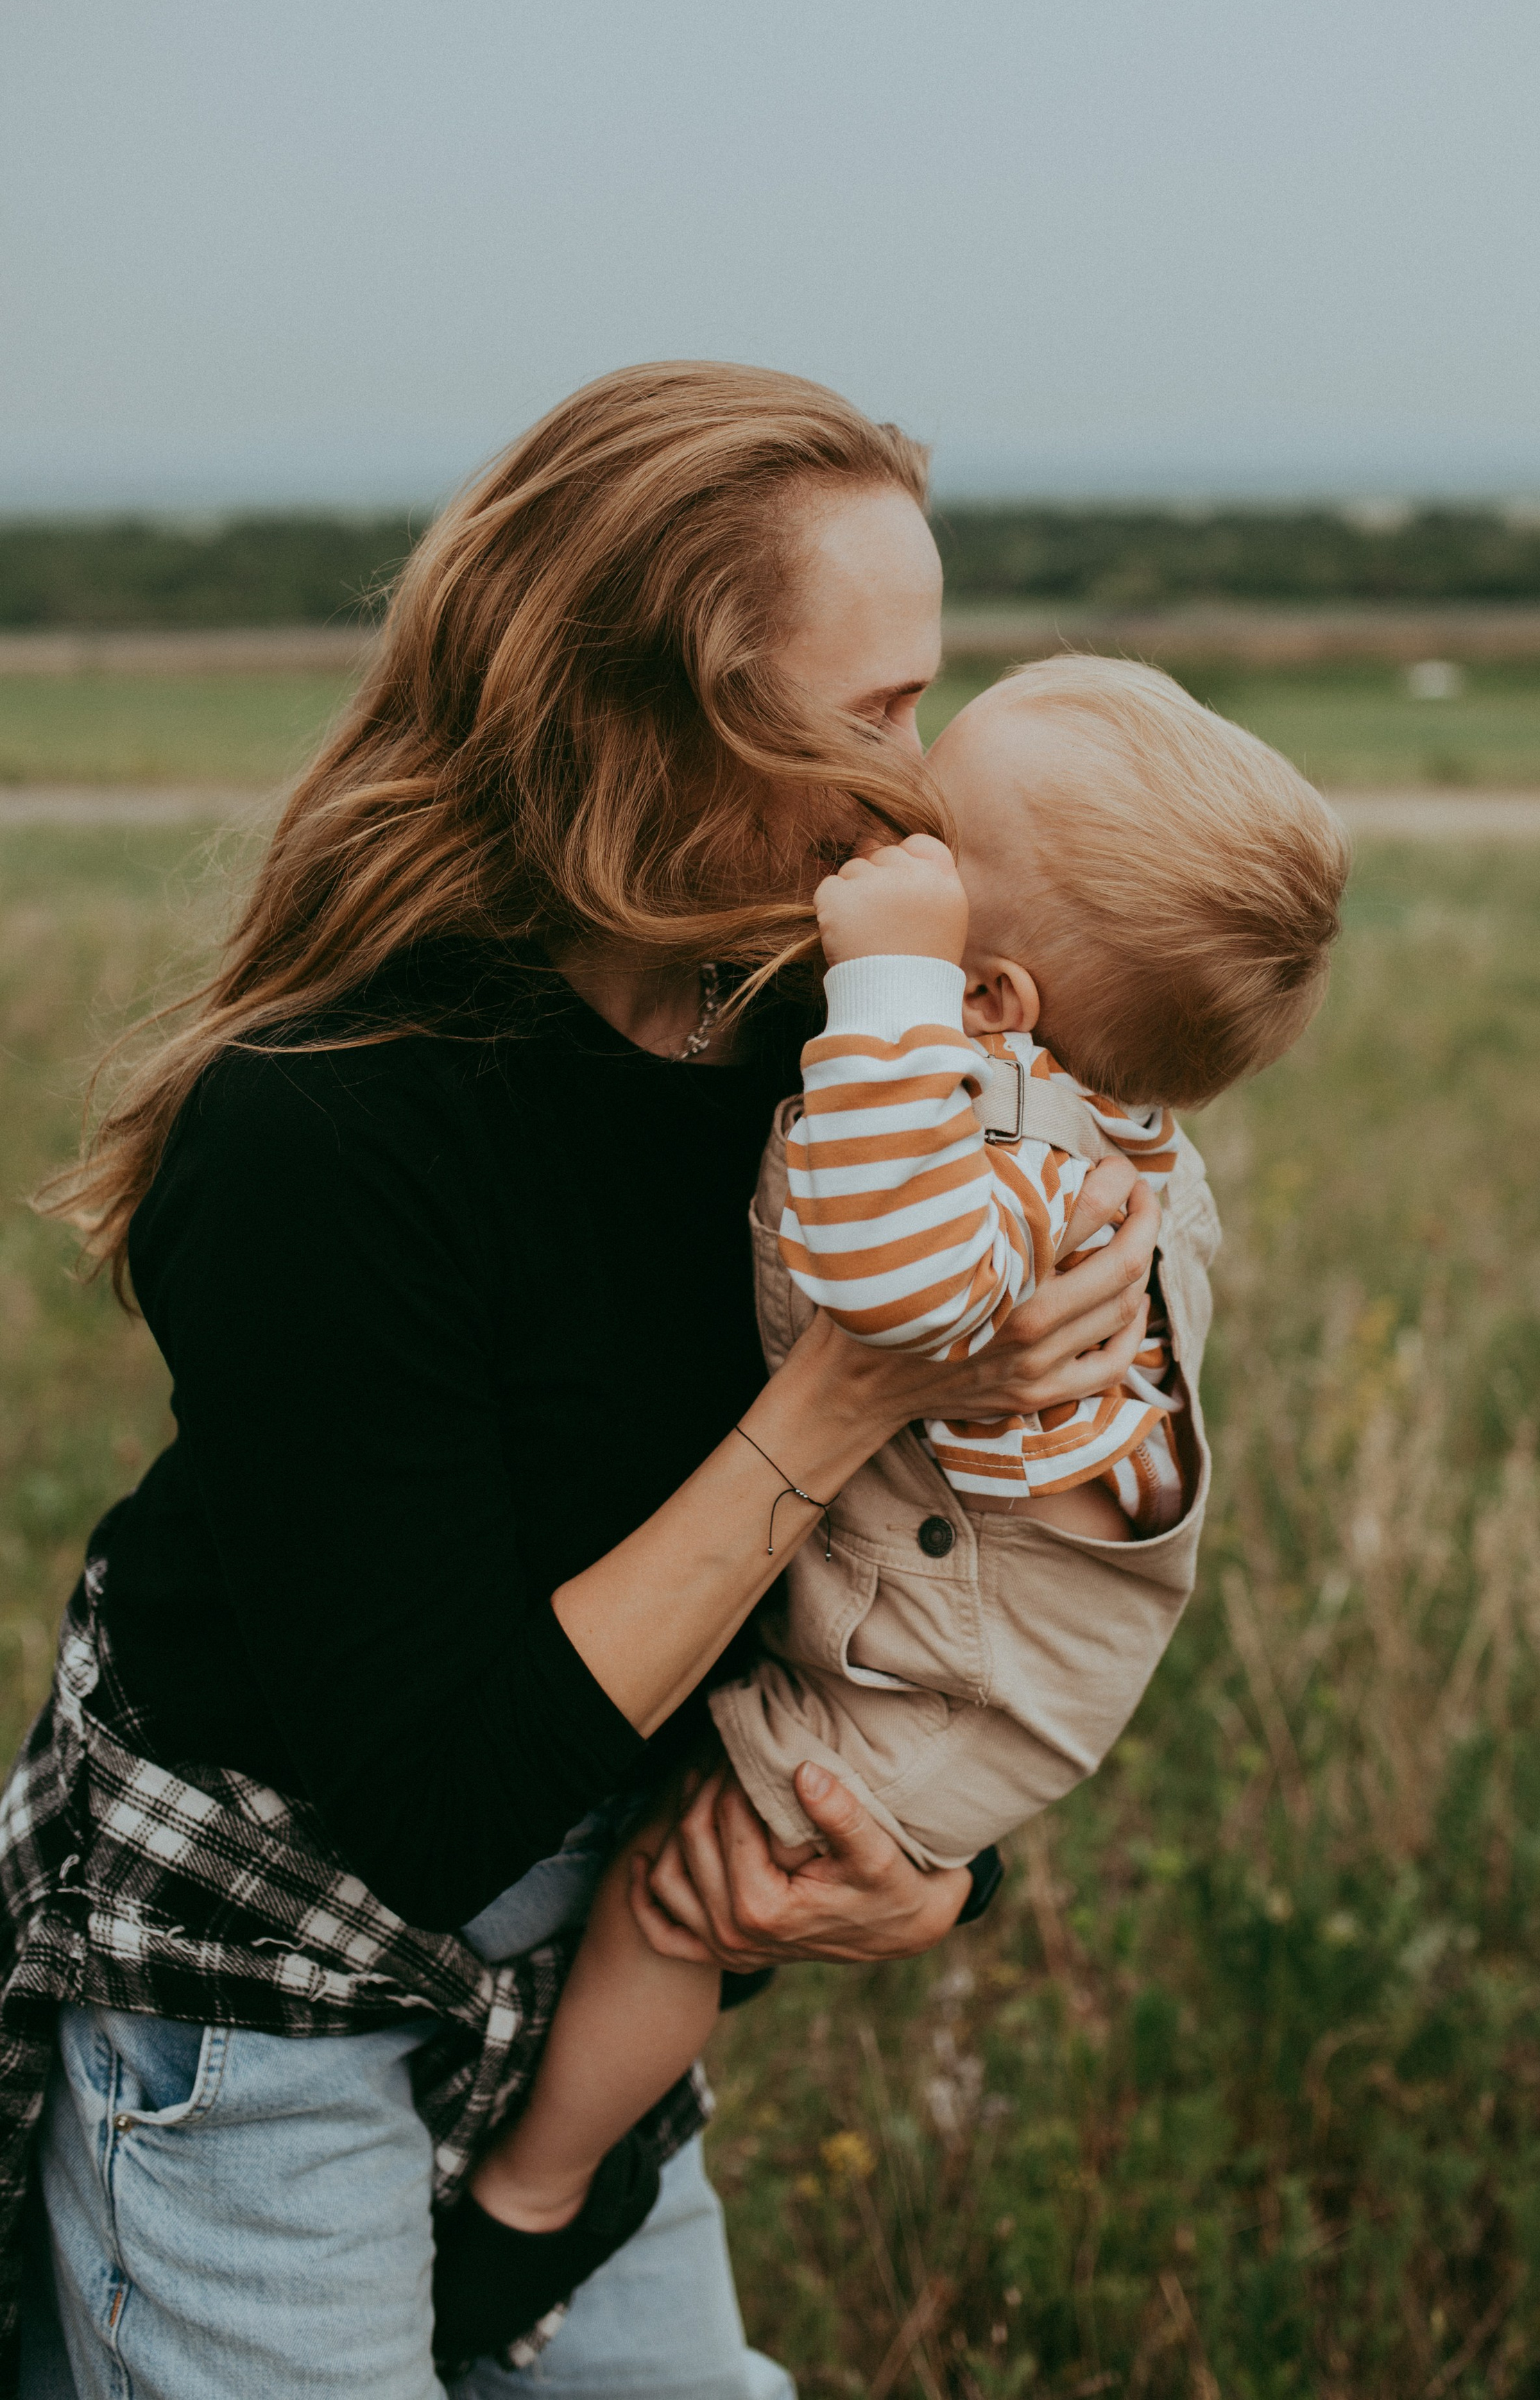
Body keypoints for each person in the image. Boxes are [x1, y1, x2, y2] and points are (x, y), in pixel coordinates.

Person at [0, 364, 1165, 2400]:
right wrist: (847, 1398)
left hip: (593, 1969)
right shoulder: (323, 1138)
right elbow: (439, 1795)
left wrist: (925, 1872)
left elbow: (941, 1570)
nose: (924, 792)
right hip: (266, 1985)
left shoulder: (827, 1058)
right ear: (650, 718)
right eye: (871, 716)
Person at [436, 657, 1349, 2367]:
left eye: (928, 835)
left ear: (993, 995)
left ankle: (536, 2198)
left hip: (946, 1671)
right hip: (973, 1616)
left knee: (678, 1892)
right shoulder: (1069, 1089)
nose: (883, 824)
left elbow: (887, 1278)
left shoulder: (986, 1128)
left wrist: (880, 985)